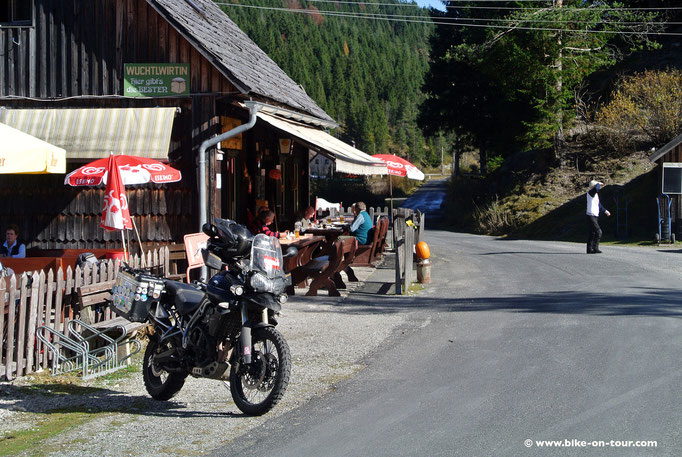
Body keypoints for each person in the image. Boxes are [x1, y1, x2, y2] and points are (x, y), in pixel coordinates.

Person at [586, 180, 610, 254]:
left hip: (595, 215)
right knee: (598, 232)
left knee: (592, 233)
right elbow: (596, 188)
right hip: (591, 215)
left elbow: (599, 205)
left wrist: (605, 211)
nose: (599, 188)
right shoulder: (590, 193)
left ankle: (589, 249)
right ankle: (595, 248)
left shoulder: (595, 195)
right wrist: (598, 184)